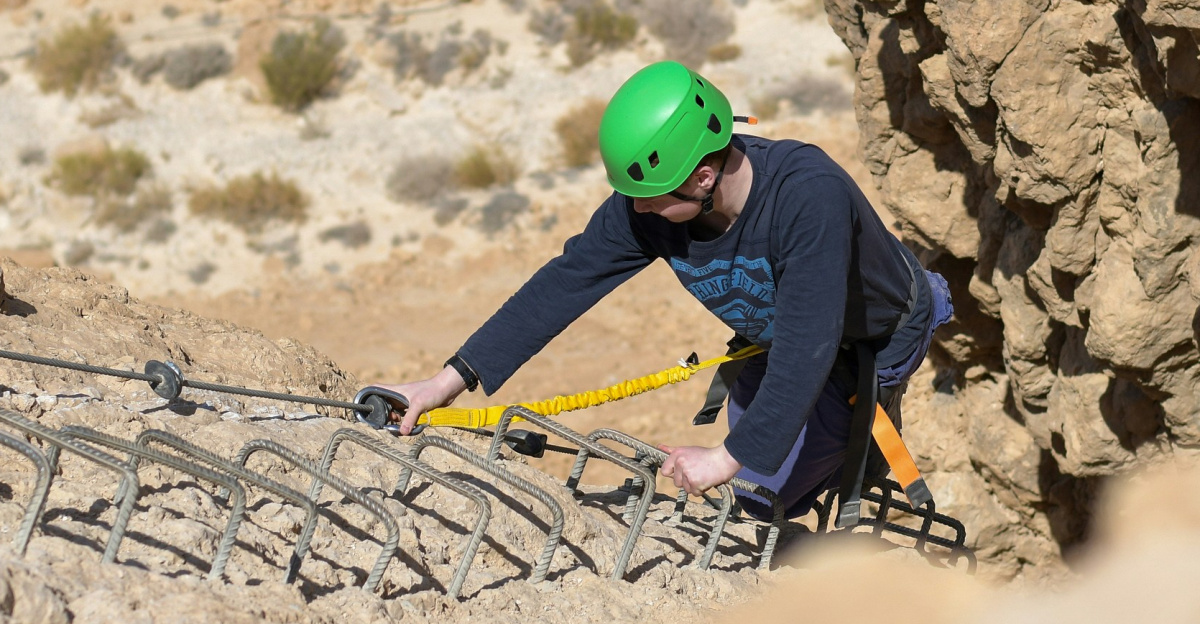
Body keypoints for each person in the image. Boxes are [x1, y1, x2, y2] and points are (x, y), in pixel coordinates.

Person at [378, 60, 953, 521]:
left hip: (872, 332)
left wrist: (728, 459)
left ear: (703, 176)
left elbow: (810, 343)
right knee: (755, 444)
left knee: (758, 492)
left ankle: (853, 454)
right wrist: (444, 382)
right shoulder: (654, 202)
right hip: (779, 332)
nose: (638, 209)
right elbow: (566, 281)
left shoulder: (809, 195)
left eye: (650, 195)